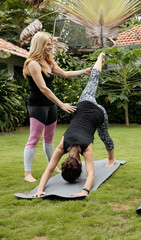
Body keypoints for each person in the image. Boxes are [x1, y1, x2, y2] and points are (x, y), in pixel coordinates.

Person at [31, 53, 115, 197]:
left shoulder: (86, 149)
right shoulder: (62, 145)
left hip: (99, 114)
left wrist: (84, 191)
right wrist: (39, 189)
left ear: (80, 164)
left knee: (105, 136)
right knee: (93, 79)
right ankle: (100, 57)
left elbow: (91, 174)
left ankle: (111, 158)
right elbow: (49, 169)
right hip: (84, 104)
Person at [23, 31, 92, 182]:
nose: (50, 47)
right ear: (39, 44)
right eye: (47, 44)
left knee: (49, 139)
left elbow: (65, 74)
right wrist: (61, 104)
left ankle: (52, 165)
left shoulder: (47, 63)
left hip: (50, 105)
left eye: (50, 44)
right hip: (38, 106)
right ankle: (27, 173)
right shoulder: (33, 64)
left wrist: (84, 71)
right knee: (34, 138)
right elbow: (43, 88)